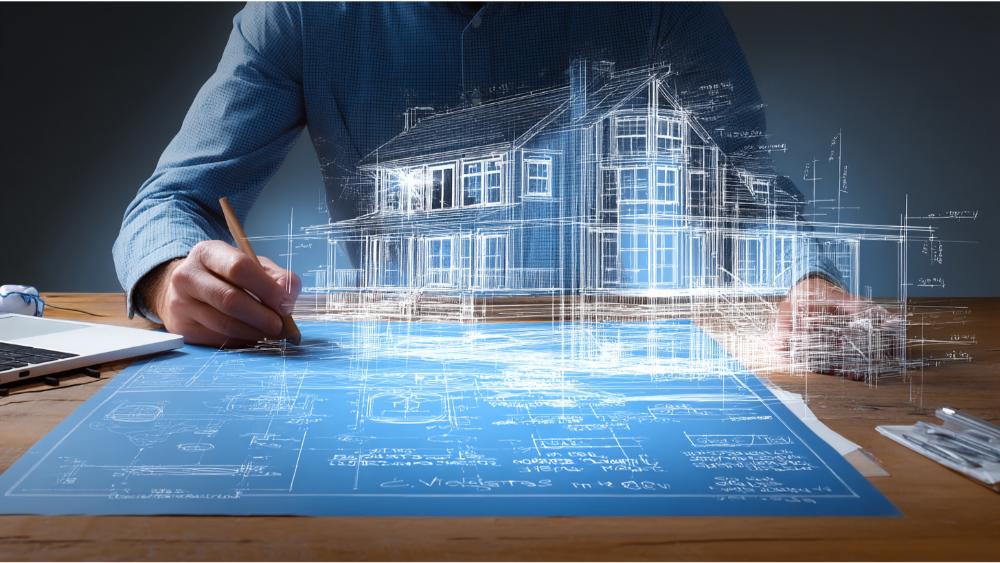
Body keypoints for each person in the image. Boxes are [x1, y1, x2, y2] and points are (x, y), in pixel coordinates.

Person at [114, 1, 876, 363]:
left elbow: (739, 186)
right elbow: (170, 203)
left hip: (602, 366)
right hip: (384, 373)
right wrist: (169, 276)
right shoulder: (297, 16)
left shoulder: (658, 8)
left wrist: (803, 281)